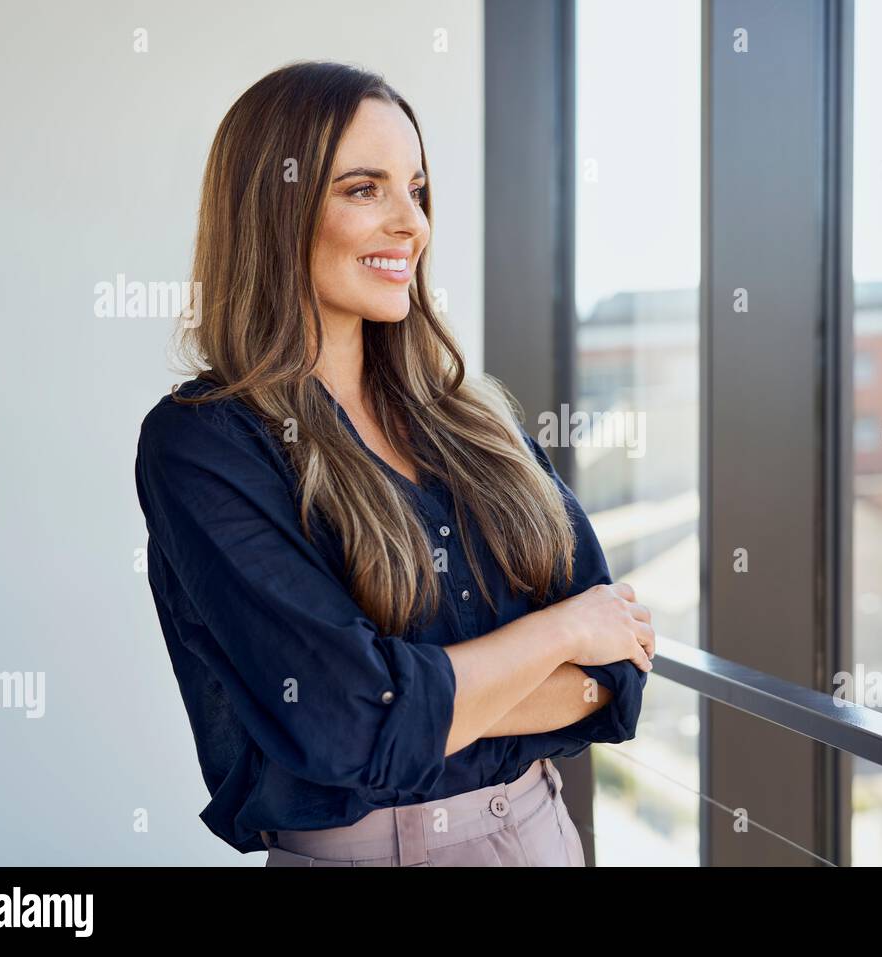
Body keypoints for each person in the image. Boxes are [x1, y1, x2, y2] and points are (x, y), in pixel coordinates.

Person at [133, 61, 653, 867]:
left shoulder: (478, 421)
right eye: (364, 188)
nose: (410, 223)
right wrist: (556, 633)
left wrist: (433, 695)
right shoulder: (205, 444)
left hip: (544, 833)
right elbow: (343, 721)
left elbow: (614, 677)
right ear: (275, 210)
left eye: (416, 190)